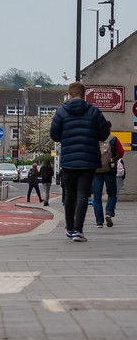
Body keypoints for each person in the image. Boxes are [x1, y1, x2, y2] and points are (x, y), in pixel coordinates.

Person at [49, 81, 111, 242]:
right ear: (84, 95)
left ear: (69, 94)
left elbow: (55, 135)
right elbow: (104, 135)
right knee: (83, 194)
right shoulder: (94, 112)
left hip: (69, 159)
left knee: (69, 194)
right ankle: (78, 230)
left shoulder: (61, 112)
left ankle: (69, 228)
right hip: (88, 159)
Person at [91, 134, 124, 228]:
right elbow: (121, 153)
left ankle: (99, 222)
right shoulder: (113, 139)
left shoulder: (93, 138)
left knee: (97, 197)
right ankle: (109, 213)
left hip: (96, 171)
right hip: (110, 169)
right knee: (112, 193)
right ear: (109, 129)